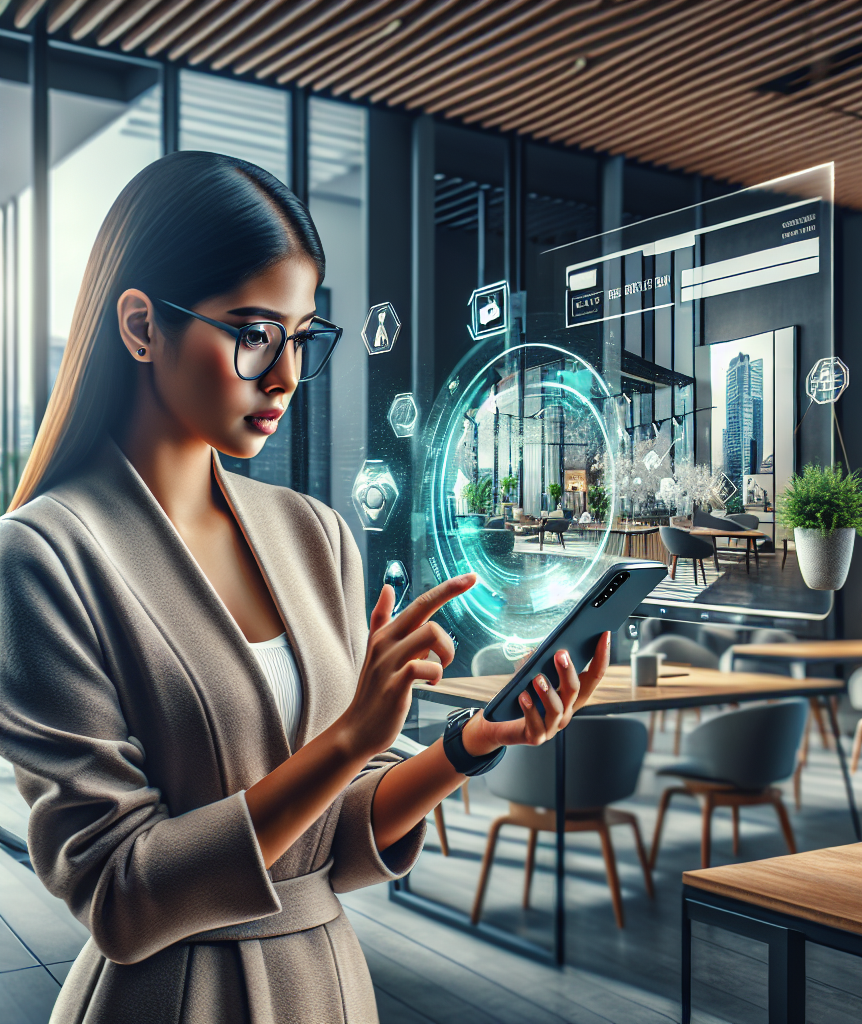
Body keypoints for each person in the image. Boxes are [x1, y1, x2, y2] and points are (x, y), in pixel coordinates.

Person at [0, 152, 610, 1024]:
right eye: (254, 333)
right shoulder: (43, 556)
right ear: (140, 326)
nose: (285, 374)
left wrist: (472, 742)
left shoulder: (313, 535)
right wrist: (353, 734)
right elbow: (119, 898)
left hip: (326, 985)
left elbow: (332, 842)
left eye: (301, 336)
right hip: (172, 999)